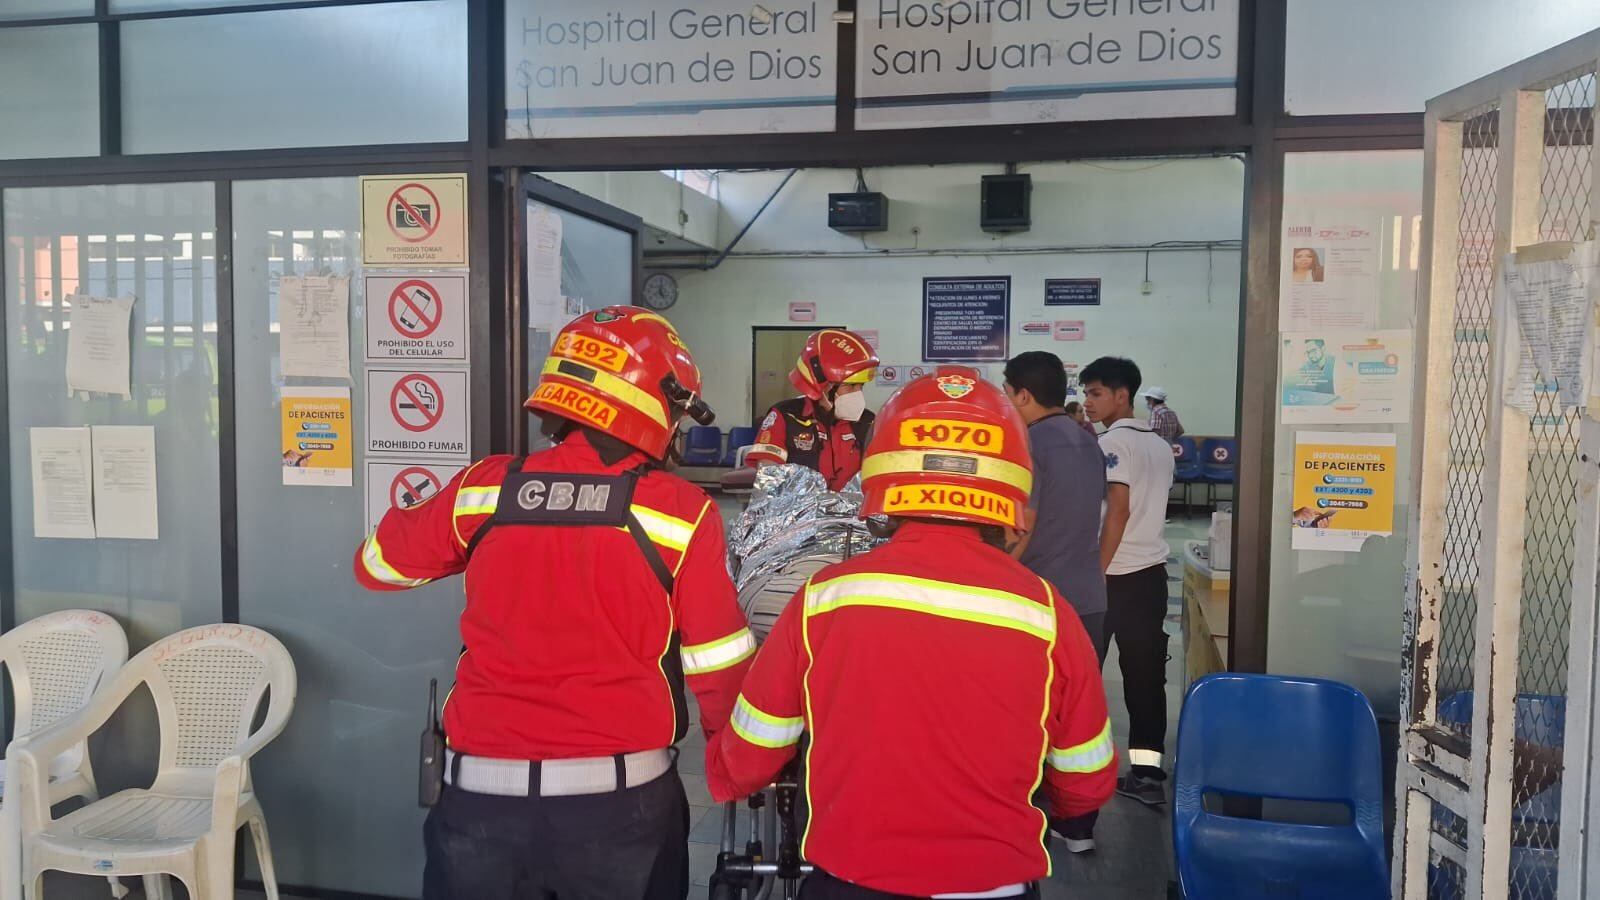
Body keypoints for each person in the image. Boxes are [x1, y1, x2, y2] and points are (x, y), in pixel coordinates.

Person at [354, 307, 756, 900]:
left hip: (477, 803)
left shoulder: (483, 489)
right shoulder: (678, 510)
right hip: (622, 808)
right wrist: (735, 759)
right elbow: (717, 662)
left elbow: (377, 567)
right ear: (654, 403)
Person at [708, 366, 1116, 899]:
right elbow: (1087, 780)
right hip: (993, 882)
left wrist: (718, 766)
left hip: (850, 878)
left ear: (883, 474)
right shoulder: (1045, 611)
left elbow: (753, 749)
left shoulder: (827, 596)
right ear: (1010, 482)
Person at [1003, 351, 1111, 854]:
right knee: (1078, 712)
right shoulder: (1088, 441)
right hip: (1086, 595)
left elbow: (1022, 525)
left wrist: (993, 573)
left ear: (1023, 395)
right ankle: (1079, 826)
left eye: (1009, 394)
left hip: (1038, 599)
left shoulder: (1029, 443)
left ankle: (1029, 816)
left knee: (1029, 713)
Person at [1081, 356, 1176, 809]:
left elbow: (1116, 511)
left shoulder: (1114, 443)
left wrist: (1094, 574)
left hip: (1113, 576)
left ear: (1123, 395)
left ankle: (1076, 776)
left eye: (1096, 393)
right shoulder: (1157, 444)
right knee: (1145, 678)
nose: (1088, 402)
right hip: (1150, 576)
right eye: (1086, 393)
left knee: (1080, 677)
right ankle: (1147, 772)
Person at [747, 328, 878, 491]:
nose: (857, 394)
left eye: (861, 386)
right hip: (797, 513)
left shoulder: (868, 422)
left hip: (852, 514)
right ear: (824, 385)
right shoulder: (785, 416)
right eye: (850, 386)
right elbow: (768, 473)